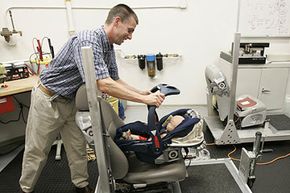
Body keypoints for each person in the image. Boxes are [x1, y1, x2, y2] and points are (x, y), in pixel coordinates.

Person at [19, 4, 165, 193]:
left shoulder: (108, 46)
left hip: (70, 101)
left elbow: (114, 79)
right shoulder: (87, 40)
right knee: (36, 151)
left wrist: (141, 92)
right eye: (129, 30)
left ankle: (80, 186)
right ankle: (25, 189)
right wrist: (144, 100)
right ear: (117, 21)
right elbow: (103, 84)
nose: (130, 36)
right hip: (48, 100)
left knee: (77, 148)